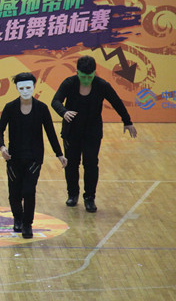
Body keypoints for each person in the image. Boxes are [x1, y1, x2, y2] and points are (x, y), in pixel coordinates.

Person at [52, 56, 137, 212]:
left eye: (89, 77)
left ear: (94, 73)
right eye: (83, 77)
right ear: (77, 72)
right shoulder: (69, 83)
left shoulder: (102, 85)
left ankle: (89, 198)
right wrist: (63, 112)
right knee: (71, 164)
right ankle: (72, 194)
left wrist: (127, 121)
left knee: (91, 164)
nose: (86, 80)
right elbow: (55, 101)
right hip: (71, 132)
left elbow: (116, 102)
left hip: (92, 132)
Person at [0, 73, 67, 239]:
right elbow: (0, 130)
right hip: (14, 158)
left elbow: (50, 132)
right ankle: (18, 218)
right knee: (14, 193)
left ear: (34, 87)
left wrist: (59, 154)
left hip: (34, 158)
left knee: (28, 191)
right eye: (21, 88)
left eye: (28, 87)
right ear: (17, 88)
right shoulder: (10, 107)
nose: (25, 91)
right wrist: (2, 147)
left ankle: (27, 224)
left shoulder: (42, 108)